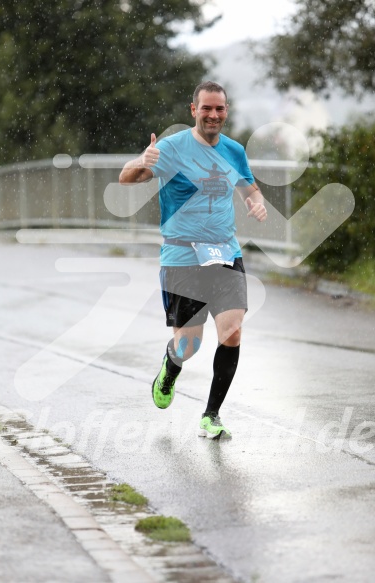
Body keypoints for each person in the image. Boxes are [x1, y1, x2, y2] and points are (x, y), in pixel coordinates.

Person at [119, 81, 267, 439]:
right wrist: (143, 160)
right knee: (189, 345)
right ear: (193, 110)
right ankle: (170, 370)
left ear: (226, 112)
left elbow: (249, 185)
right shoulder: (172, 147)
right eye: (206, 109)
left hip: (224, 252)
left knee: (231, 332)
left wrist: (255, 201)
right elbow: (126, 178)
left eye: (219, 109)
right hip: (182, 255)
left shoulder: (233, 150)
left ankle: (211, 416)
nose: (213, 115)